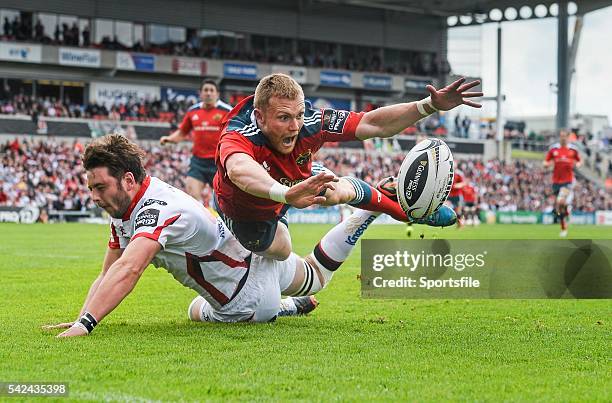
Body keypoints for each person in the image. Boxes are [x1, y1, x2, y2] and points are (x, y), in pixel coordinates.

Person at [43, 134, 381, 337]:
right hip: (254, 253)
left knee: (196, 310)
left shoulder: (154, 210)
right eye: (91, 188)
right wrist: (78, 318)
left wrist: (86, 325)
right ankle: (368, 210)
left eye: (100, 186)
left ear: (128, 180)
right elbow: (108, 272)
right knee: (314, 276)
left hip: (244, 300)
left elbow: (128, 270)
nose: (94, 196)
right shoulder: (128, 208)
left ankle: (281, 307)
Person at [214, 73, 482, 260]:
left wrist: (428, 105)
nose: (295, 126)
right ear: (260, 117)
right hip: (248, 211)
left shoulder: (312, 121)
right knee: (283, 250)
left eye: (298, 115)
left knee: (331, 188)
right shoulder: (238, 133)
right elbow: (238, 169)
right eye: (283, 118)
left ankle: (405, 211)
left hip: (295, 185)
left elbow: (372, 124)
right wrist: (285, 194)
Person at [160, 80, 231, 205]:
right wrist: (170, 138)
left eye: (211, 90)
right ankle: (202, 221)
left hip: (219, 162)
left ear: (217, 94)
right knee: (192, 193)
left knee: (223, 200)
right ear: (200, 93)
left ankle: (223, 221)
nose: (208, 93)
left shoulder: (227, 111)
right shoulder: (193, 111)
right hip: (198, 162)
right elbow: (182, 132)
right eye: (205, 90)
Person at [543, 129, 582, 237]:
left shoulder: (573, 149)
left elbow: (579, 160)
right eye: (561, 136)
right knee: (559, 208)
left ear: (568, 137)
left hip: (568, 181)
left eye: (565, 136)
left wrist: (578, 164)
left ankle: (567, 211)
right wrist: (546, 164)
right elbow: (546, 160)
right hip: (556, 181)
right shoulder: (554, 149)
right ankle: (564, 226)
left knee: (560, 201)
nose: (563, 138)